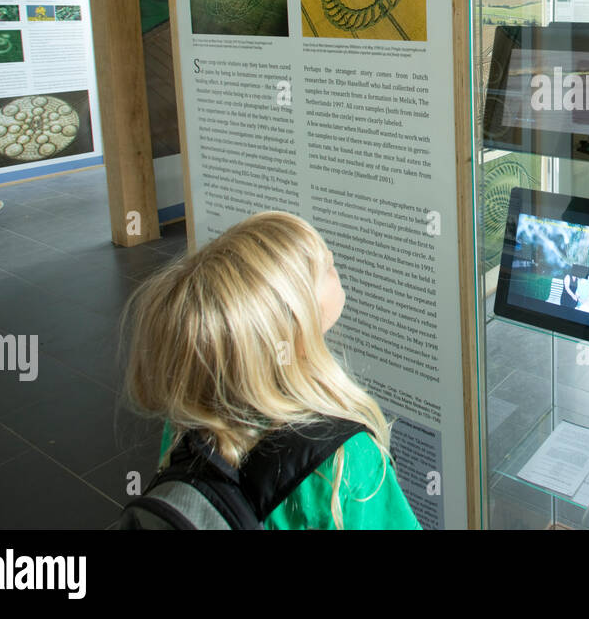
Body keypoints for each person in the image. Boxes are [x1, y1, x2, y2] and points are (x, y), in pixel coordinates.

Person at [122, 210, 420, 529]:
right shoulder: (348, 458)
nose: (330, 256)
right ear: (292, 324)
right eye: (319, 268)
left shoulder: (187, 421)